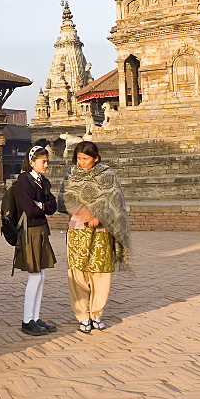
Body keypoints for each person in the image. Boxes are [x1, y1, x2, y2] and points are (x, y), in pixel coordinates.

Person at [58, 140, 130, 334]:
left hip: (101, 233)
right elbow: (62, 200)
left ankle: (97, 314)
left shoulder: (107, 176)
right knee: (78, 273)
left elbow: (116, 202)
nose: (81, 162)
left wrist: (99, 215)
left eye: (85, 159)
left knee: (100, 274)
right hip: (78, 231)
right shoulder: (71, 175)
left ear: (96, 158)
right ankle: (82, 315)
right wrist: (83, 212)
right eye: (79, 158)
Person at [12, 145, 58, 336]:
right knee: (34, 276)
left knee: (41, 276)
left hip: (40, 230)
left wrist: (41, 205)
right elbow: (29, 209)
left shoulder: (42, 181)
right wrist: (42, 206)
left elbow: (53, 205)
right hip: (29, 230)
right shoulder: (24, 181)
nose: (46, 165)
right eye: (43, 162)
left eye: (47, 161)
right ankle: (26, 320)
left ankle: (35, 317)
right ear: (32, 162)